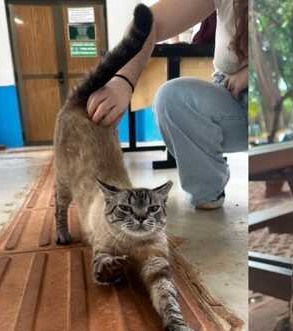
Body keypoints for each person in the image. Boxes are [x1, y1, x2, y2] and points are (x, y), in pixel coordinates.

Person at [86, 0, 248, 209]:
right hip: (229, 92)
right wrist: (123, 80)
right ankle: (208, 190)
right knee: (171, 97)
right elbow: (148, 21)